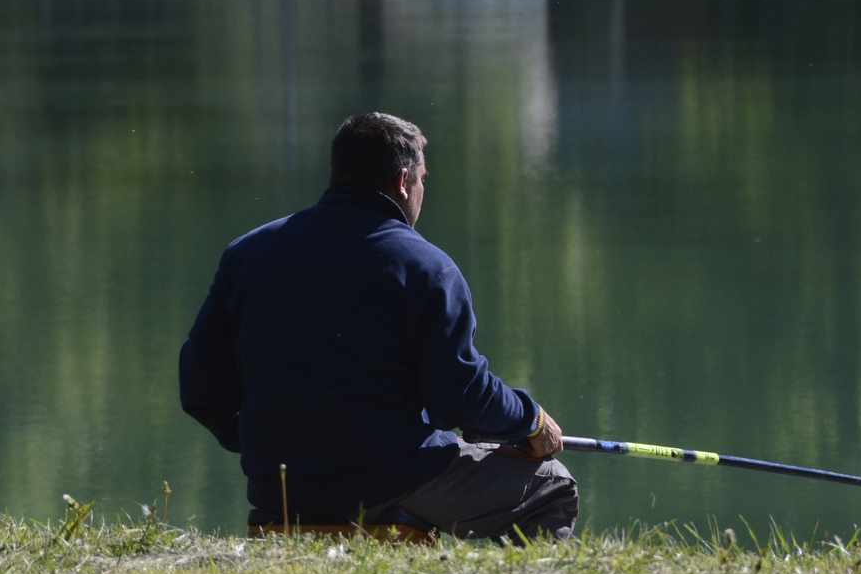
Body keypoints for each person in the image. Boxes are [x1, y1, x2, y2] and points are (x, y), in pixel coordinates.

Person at [179, 112, 577, 541]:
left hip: (280, 488)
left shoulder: (247, 255)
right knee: (551, 486)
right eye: (423, 180)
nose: (423, 192)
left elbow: (200, 388)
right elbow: (459, 395)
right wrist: (530, 418)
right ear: (403, 182)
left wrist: (265, 442)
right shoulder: (426, 267)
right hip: (392, 481)